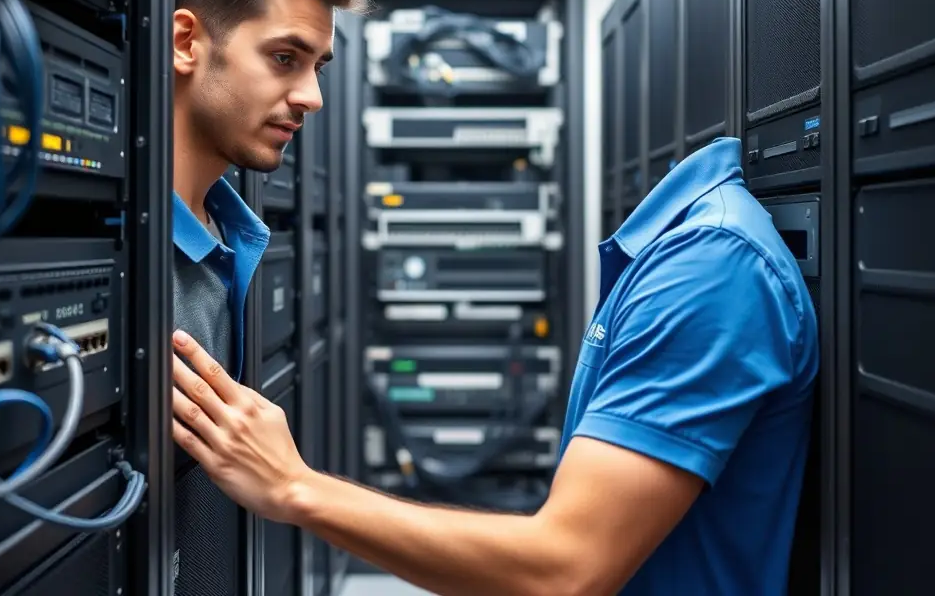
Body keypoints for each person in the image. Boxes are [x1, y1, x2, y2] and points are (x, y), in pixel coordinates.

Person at [171, 141, 819, 592]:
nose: (312, 97)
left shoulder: (710, 268)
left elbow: (566, 568)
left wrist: (295, 487)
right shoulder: (684, 253)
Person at [169, 0, 363, 592]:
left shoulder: (240, 233)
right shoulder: (130, 264)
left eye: (318, 66)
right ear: (186, 42)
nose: (311, 96)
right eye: (284, 58)